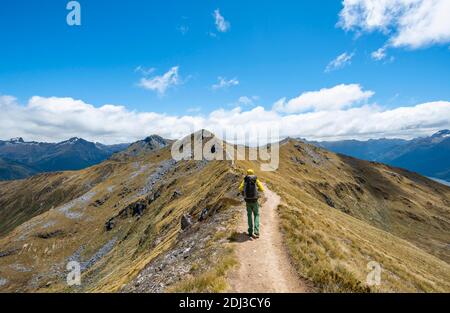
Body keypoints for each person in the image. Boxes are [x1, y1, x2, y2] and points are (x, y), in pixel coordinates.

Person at [239, 169, 264, 239]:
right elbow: (262, 189)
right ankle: (256, 231)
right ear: (253, 173)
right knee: (256, 215)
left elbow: (240, 189)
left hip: (248, 201)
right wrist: (256, 191)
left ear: (247, 173)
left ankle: (250, 232)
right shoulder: (256, 179)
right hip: (255, 201)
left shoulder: (245, 180)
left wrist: (244, 191)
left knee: (249, 215)